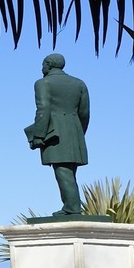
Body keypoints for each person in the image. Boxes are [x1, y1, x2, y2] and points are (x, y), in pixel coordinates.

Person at [23, 53, 90, 216]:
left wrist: (39, 135)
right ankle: (71, 205)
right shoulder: (79, 83)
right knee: (69, 172)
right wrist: (79, 132)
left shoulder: (42, 83)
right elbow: (85, 113)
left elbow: (43, 109)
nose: (42, 68)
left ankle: (72, 208)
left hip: (55, 133)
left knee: (62, 171)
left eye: (43, 65)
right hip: (75, 130)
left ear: (48, 64)